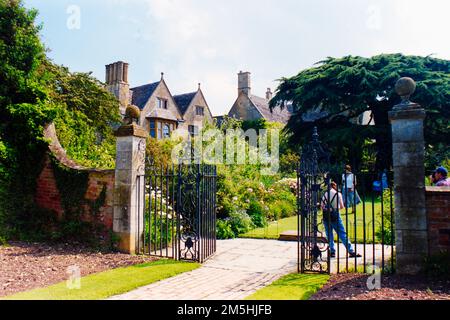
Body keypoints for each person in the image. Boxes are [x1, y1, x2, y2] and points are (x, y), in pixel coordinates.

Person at [321, 182, 361, 259]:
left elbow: (322, 206)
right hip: (335, 215)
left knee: (329, 234)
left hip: (326, 216)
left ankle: (332, 251)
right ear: (334, 186)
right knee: (342, 234)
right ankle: (351, 251)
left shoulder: (325, 194)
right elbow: (342, 206)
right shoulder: (338, 194)